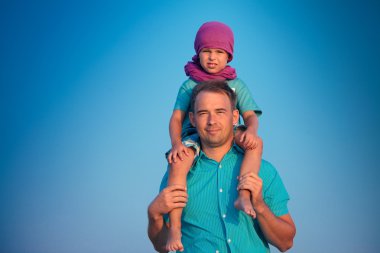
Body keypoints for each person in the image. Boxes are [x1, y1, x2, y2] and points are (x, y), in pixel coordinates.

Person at [148, 81, 296, 252]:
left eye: (220, 112)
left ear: (234, 117)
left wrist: (259, 205)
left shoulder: (264, 171)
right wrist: (154, 215)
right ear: (193, 119)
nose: (212, 121)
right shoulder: (177, 173)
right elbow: (162, 246)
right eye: (203, 113)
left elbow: (286, 243)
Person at [166, 21, 263, 251]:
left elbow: (250, 117)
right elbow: (176, 119)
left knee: (256, 144)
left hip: (229, 131)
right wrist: (176, 143)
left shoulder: (235, 84)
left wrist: (250, 131)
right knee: (178, 163)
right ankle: (175, 227)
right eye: (206, 51)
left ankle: (243, 195)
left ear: (228, 56)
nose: (212, 57)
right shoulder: (189, 85)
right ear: (198, 53)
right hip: (194, 134)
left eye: (219, 52)